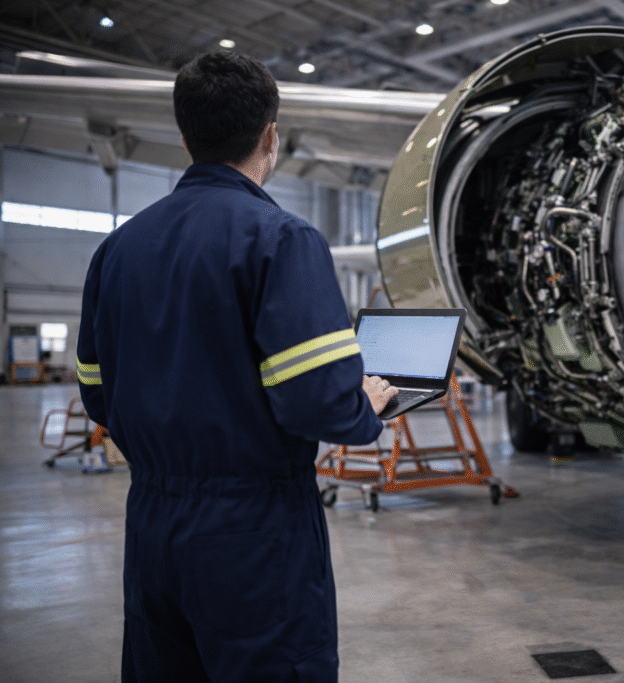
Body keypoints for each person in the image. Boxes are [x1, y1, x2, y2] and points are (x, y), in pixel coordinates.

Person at [76, 50, 398, 682]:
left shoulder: (118, 249)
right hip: (253, 534)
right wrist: (365, 406)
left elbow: (96, 392)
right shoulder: (280, 239)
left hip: (152, 525)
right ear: (269, 137)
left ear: (185, 134)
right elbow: (317, 401)